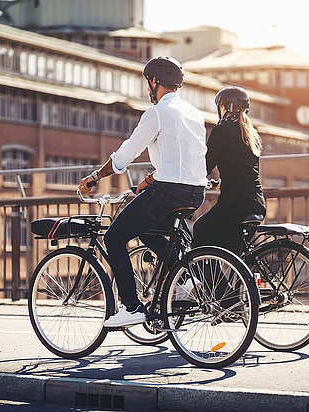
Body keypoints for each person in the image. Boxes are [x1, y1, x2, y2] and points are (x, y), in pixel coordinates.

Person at [79, 56, 208, 328]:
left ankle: (131, 307)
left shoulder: (157, 113)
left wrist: (95, 176)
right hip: (196, 192)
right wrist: (150, 179)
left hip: (168, 191)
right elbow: (183, 158)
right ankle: (186, 279)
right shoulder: (194, 113)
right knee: (149, 230)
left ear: (154, 82)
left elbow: (125, 155)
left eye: (147, 83)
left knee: (115, 237)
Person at [193, 86, 266, 255]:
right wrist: (223, 182)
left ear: (225, 108)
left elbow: (205, 166)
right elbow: (244, 170)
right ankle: (240, 281)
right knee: (233, 254)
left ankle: (217, 283)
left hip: (235, 205)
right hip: (256, 204)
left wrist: (190, 176)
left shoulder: (221, 131)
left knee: (200, 231)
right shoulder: (250, 134)